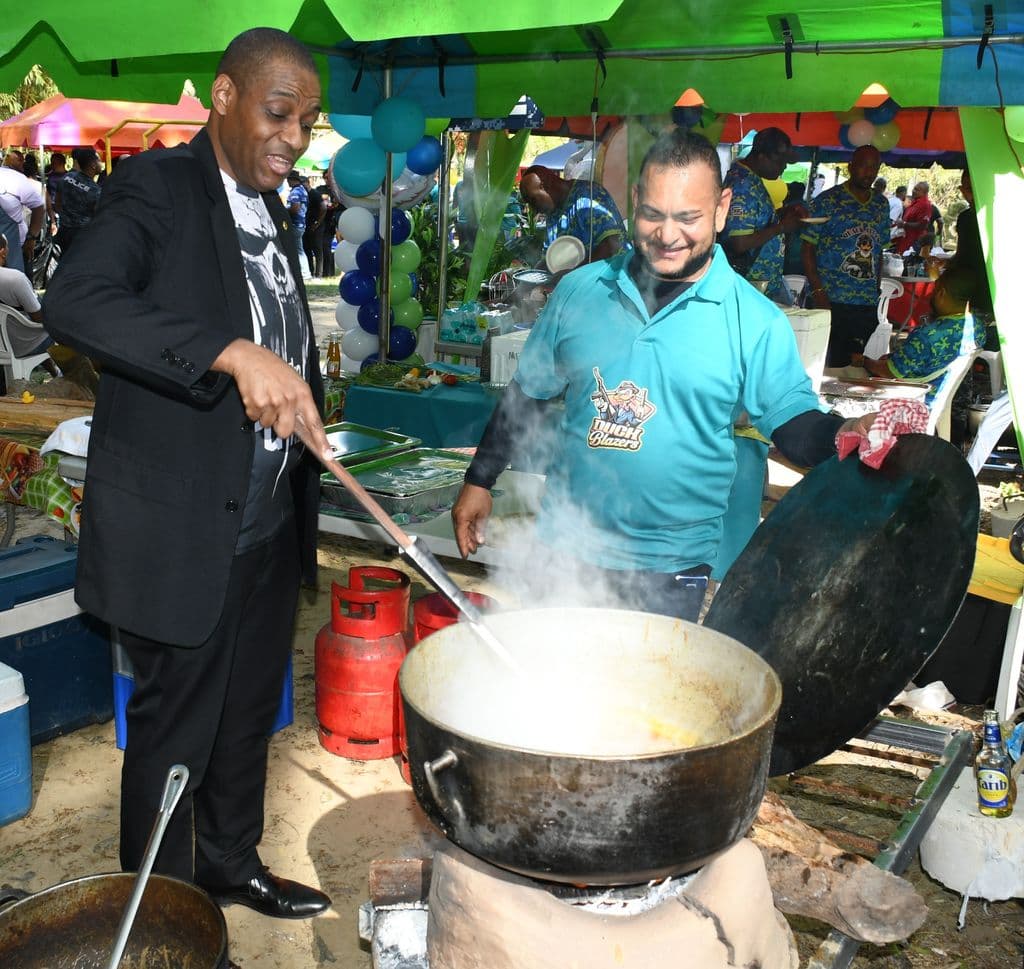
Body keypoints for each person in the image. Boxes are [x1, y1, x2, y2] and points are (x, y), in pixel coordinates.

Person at [43, 26, 333, 920]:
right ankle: (166, 912)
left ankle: (231, 865)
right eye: (278, 113)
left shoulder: (271, 203)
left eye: (306, 122)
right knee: (176, 736)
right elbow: (78, 301)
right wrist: (228, 351)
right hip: (183, 522)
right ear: (223, 96)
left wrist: (301, 392)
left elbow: (274, 325)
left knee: (248, 717)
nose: (292, 137)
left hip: (267, 519)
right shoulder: (157, 188)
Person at [450, 129, 873, 621]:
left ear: (721, 208)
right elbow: (527, 395)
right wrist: (479, 480)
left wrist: (843, 432)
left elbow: (794, 425)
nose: (668, 235)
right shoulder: (580, 291)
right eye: (653, 214)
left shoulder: (754, 320)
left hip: (672, 567)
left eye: (688, 217)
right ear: (635, 202)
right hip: (564, 548)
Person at [800, 145, 890, 366]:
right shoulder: (828, 201)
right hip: (831, 299)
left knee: (852, 364)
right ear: (851, 167)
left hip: (865, 303)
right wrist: (818, 291)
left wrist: (876, 289)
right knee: (825, 364)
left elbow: (879, 252)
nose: (869, 172)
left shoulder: (881, 204)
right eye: (863, 166)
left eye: (874, 167)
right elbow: (807, 247)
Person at [852, 266, 986, 408]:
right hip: (951, 398)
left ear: (941, 293)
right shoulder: (977, 326)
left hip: (917, 399)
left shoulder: (927, 336)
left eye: (934, 290)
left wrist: (865, 362)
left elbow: (891, 372)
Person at [0, 233, 100, 395]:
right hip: (23, 342)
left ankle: (56, 372)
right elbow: (39, 318)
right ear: (3, 251)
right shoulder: (14, 279)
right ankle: (87, 383)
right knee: (66, 325)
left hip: (6, 341)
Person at [722, 127, 807, 302]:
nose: (783, 167)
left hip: (759, 286)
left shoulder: (751, 179)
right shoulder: (743, 185)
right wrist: (782, 227)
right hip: (747, 288)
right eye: (780, 161)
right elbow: (739, 242)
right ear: (761, 157)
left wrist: (783, 214)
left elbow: (752, 221)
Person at [518, 164, 626, 263]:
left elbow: (612, 245)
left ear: (546, 185)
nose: (534, 210)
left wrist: (571, 275)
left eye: (533, 200)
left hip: (613, 277)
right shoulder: (552, 213)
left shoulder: (590, 195)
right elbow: (550, 257)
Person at [947, 169, 996, 348]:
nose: (973, 192)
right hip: (969, 288)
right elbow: (961, 253)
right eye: (968, 188)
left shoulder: (999, 213)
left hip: (992, 286)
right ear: (962, 190)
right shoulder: (966, 218)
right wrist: (947, 265)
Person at [0, 151, 45, 277]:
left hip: (15, 249)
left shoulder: (14, 178)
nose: (22, 163)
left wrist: (31, 238)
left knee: (18, 284)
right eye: (19, 160)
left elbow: (39, 207)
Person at [55, 147, 103, 255]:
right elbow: (98, 215)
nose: (102, 164)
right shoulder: (96, 191)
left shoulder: (66, 177)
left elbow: (57, 203)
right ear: (93, 165)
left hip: (64, 231)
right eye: (99, 161)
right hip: (83, 236)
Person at [896, 181, 932, 255]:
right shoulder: (914, 202)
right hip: (905, 239)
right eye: (914, 189)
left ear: (924, 193)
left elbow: (923, 225)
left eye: (917, 190)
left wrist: (904, 224)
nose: (913, 191)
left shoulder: (925, 204)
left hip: (914, 243)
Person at [301, 175, 324, 277]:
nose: (302, 186)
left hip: (316, 225)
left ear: (308, 183)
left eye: (303, 183)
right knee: (307, 249)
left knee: (317, 250)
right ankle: (310, 271)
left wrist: (317, 223)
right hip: (307, 225)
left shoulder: (315, 194)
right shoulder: (304, 194)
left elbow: (323, 208)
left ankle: (319, 274)